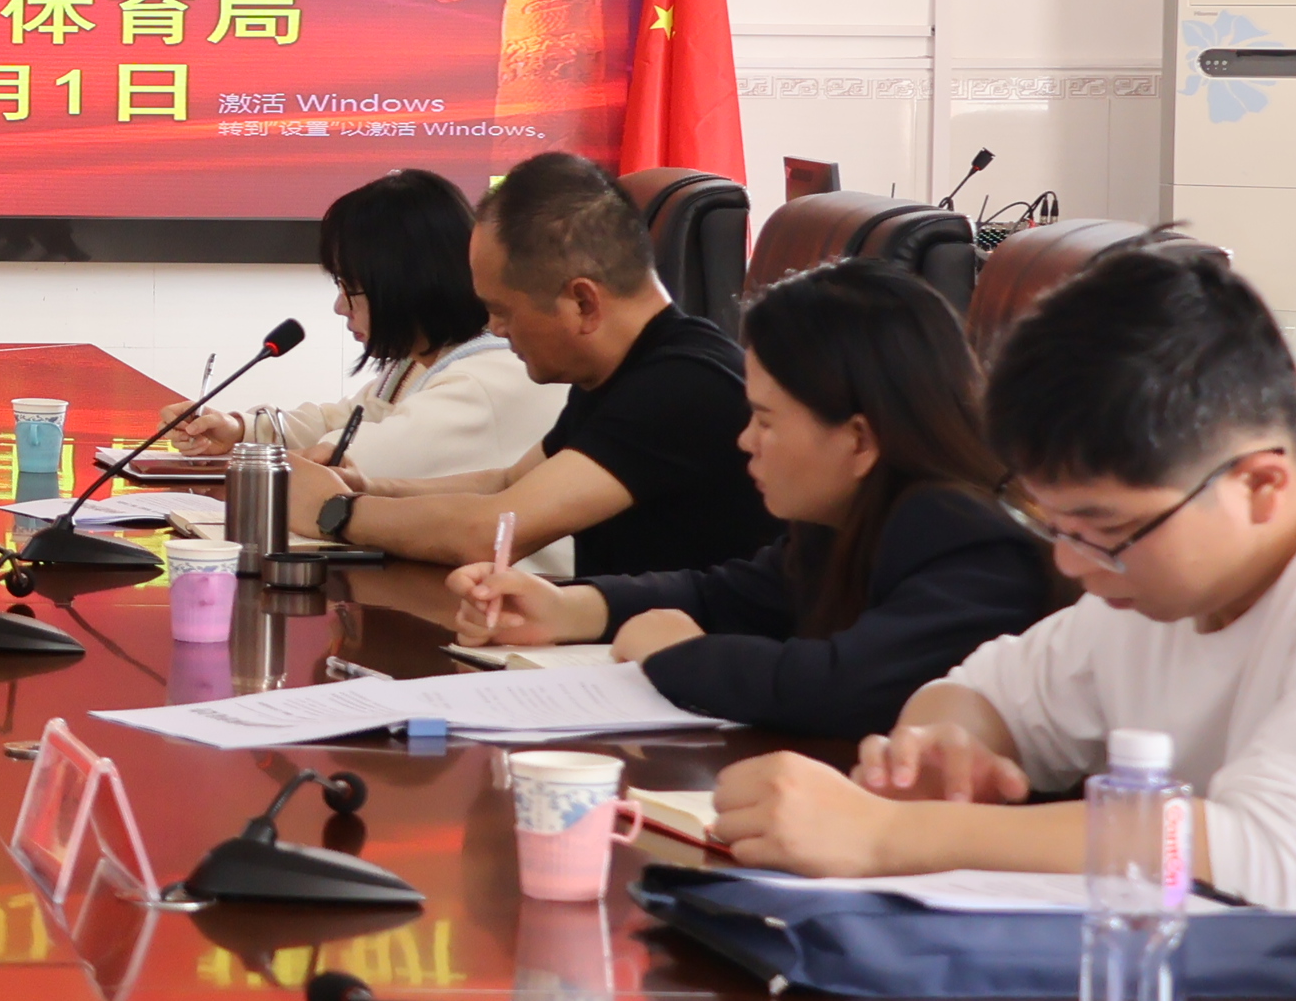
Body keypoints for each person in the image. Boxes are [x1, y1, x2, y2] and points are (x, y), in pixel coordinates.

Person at [711, 243, 1296, 950]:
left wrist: (895, 833)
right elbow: (990, 691)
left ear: (1260, 485)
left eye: (1102, 529)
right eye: (1055, 526)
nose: (1071, 564)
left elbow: (1280, 858)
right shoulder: (1161, 582)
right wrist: (941, 748)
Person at [445, 258, 1058, 734]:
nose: (745, 440)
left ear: (859, 439)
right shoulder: (849, 515)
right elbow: (724, 595)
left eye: (766, 420)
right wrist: (566, 610)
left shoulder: (970, 540)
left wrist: (676, 654)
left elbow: (842, 687)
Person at [288, 149, 773, 577]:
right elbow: (506, 482)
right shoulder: (618, 371)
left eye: (502, 310)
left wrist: (336, 510)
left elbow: (492, 532)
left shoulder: (680, 387)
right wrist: (370, 487)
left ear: (582, 302)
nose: (494, 329)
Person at [173, 169, 561, 480]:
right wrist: (239, 429)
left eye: (351, 287)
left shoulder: (482, 379)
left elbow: (346, 464)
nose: (340, 307)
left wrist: (258, 456)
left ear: (405, 282)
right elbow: (345, 420)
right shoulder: (421, 362)